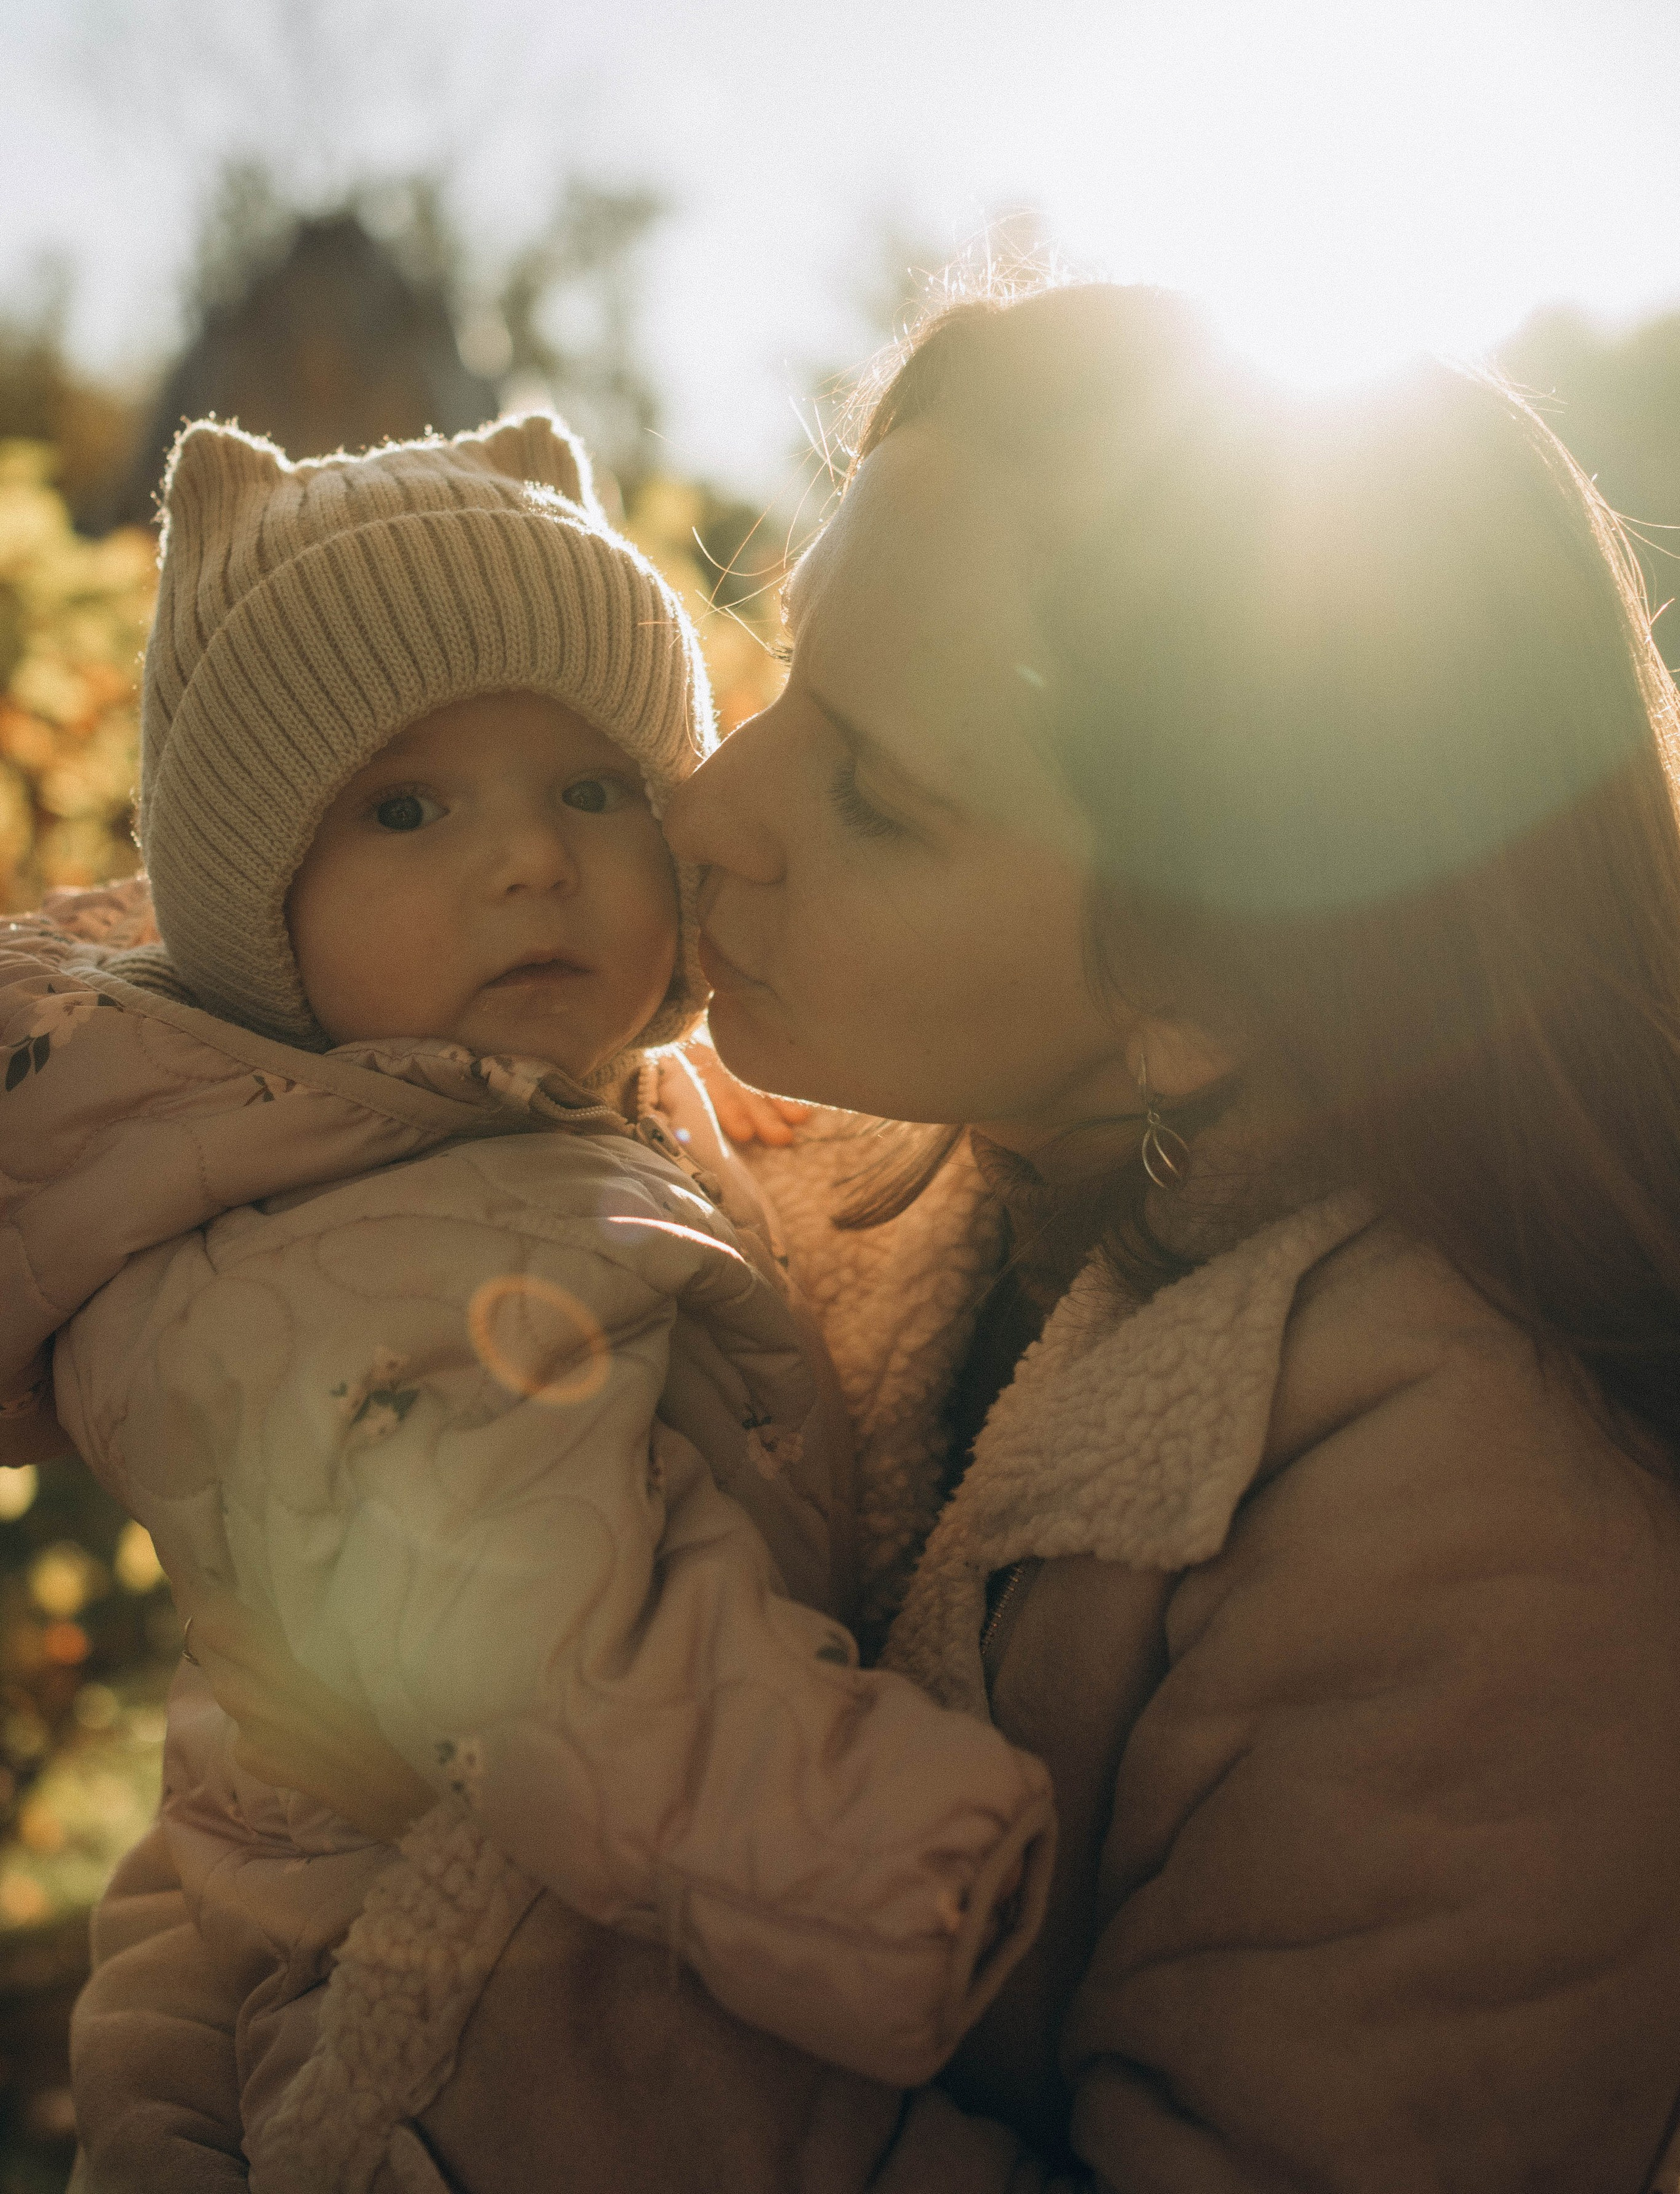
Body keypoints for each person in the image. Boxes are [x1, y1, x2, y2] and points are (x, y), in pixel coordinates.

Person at [66, 282, 1680, 2193]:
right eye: (781, 679)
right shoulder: (753, 1190)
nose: (706, 803)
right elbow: (277, 1772)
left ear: (1202, 987)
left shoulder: (1474, 1546)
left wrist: (477, 2038)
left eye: (876, 796)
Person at [0, 411, 1053, 2193]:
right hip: (464, 2004)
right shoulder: (353, 1267)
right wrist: (893, 1859)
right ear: (264, 920)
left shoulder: (517, 1113)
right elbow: (571, 1644)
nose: (529, 860)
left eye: (595, 790)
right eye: (406, 808)